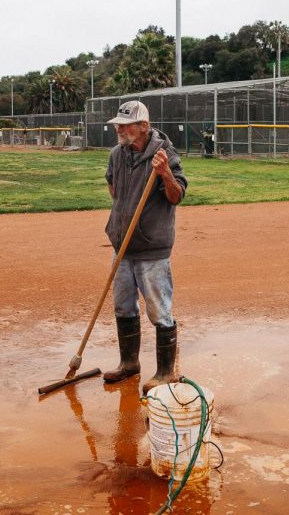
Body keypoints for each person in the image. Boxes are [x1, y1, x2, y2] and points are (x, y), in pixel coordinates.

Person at [103, 101, 188, 395]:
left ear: (143, 126)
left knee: (159, 311)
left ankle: (167, 372)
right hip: (122, 246)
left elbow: (176, 196)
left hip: (152, 249)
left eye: (125, 125)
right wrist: (121, 221)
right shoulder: (117, 154)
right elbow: (113, 188)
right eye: (118, 124)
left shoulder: (165, 154)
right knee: (123, 306)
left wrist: (165, 173)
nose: (119, 129)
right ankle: (129, 363)